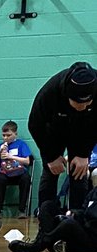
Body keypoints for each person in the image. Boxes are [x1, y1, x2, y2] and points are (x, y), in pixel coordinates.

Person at [28, 63, 97, 212]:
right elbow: (35, 124)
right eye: (78, 103)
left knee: (79, 173)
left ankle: (77, 222)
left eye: (87, 103)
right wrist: (51, 156)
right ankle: (46, 223)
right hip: (53, 132)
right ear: (67, 95)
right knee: (50, 172)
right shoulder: (51, 91)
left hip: (83, 134)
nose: (83, 107)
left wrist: (84, 154)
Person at [8, 185, 97, 252]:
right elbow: (83, 210)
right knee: (47, 206)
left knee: (68, 224)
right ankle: (50, 242)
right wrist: (73, 213)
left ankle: (39, 245)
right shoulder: (94, 192)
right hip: (83, 227)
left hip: (92, 239)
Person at [0, 121, 32, 215]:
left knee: (26, 178)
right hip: (5, 173)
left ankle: (21, 210)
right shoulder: (0, 146)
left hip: (18, 172)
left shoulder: (21, 144)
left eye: (8, 135)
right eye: (3, 135)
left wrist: (10, 156)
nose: (5, 138)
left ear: (15, 134)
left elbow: (27, 161)